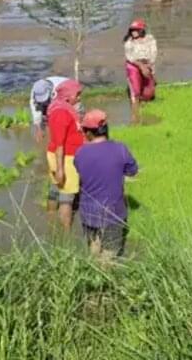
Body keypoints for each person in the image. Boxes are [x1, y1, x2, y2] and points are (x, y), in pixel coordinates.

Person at [74, 109, 139, 259]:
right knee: (110, 253)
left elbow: (81, 173)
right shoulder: (120, 149)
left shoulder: (80, 153)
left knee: (93, 249)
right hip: (113, 212)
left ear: (88, 133)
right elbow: (133, 171)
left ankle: (94, 270)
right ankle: (106, 270)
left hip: (88, 212)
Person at [46, 79, 84, 232]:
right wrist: (61, 169)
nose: (79, 98)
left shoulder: (61, 107)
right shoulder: (61, 113)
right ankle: (66, 233)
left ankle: (50, 219)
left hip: (59, 155)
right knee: (67, 197)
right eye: (77, 95)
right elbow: (60, 145)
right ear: (67, 97)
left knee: (55, 188)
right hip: (65, 157)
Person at [124, 19, 157, 122]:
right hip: (134, 65)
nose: (133, 32)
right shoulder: (129, 42)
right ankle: (135, 111)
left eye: (136, 30)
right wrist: (141, 66)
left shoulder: (150, 39)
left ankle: (144, 95)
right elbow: (130, 57)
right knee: (136, 93)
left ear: (141, 30)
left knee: (149, 95)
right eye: (132, 30)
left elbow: (153, 54)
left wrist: (149, 67)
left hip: (147, 64)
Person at [28, 75, 69, 144]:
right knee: (45, 117)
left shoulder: (59, 88)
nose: (42, 101)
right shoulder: (35, 91)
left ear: (49, 91)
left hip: (68, 92)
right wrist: (38, 128)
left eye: (44, 98)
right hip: (53, 97)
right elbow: (35, 110)